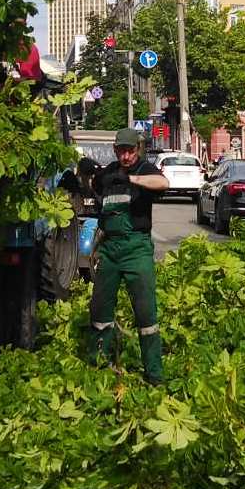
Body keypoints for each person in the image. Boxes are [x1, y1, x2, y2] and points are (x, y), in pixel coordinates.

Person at [87, 127, 170, 384]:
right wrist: (82, 180)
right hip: (109, 250)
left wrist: (131, 180)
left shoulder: (145, 170)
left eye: (130, 151)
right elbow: (94, 187)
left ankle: (154, 374)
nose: (125, 156)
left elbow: (163, 183)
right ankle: (99, 365)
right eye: (121, 151)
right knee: (100, 310)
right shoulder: (108, 173)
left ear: (138, 150)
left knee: (146, 313)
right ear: (115, 150)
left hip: (136, 249)